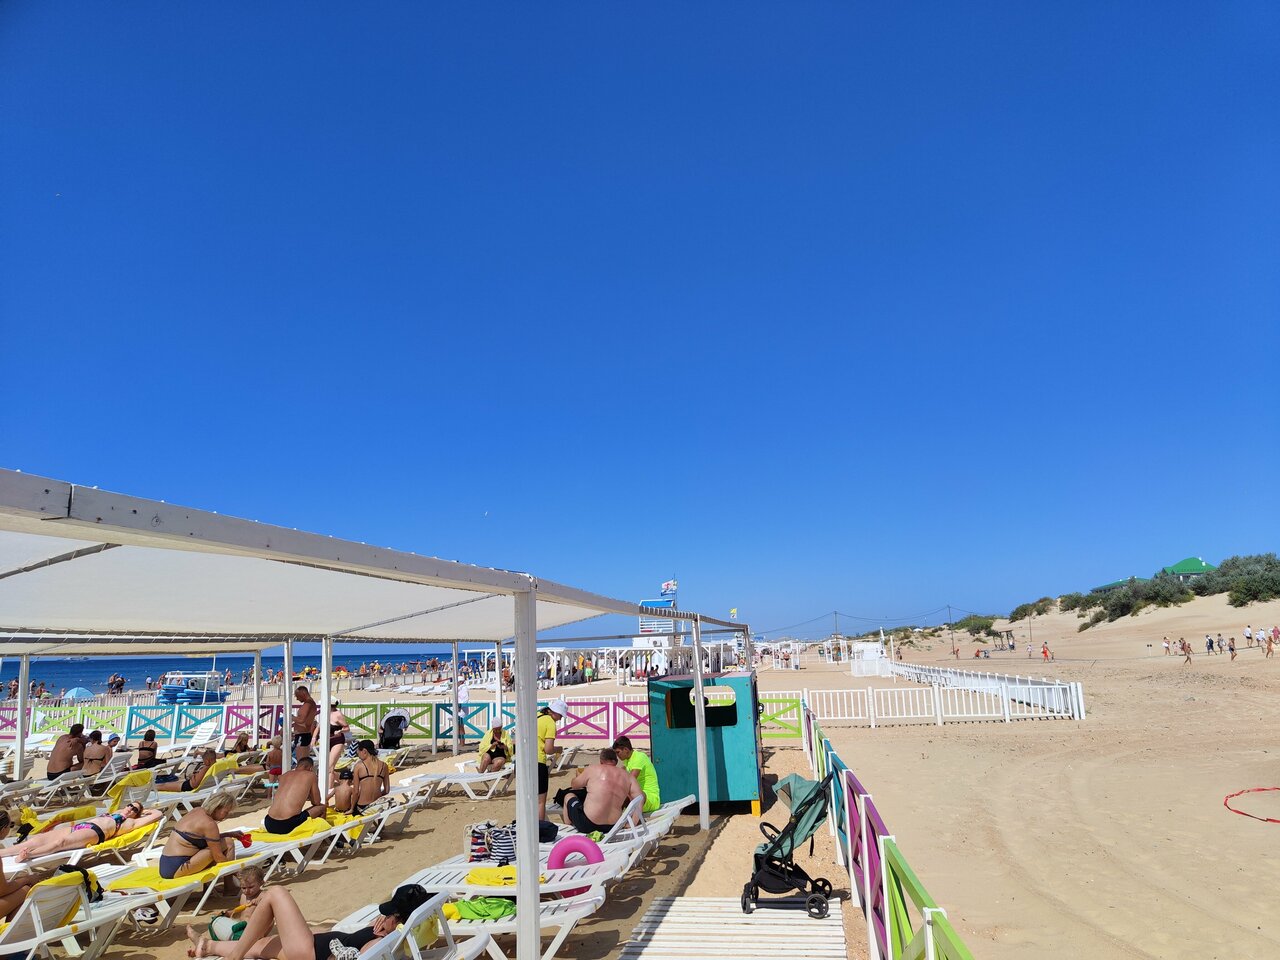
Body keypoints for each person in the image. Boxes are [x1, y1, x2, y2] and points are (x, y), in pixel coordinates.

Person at [187, 882, 429, 960]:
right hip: (313, 945)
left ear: (398, 918)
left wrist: (339, 945)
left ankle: (233, 958)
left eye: (389, 914)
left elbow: (352, 957)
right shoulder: (395, 933)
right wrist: (380, 924)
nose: (384, 917)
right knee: (262, 945)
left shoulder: (380, 943)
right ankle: (207, 947)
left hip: (311, 952)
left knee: (275, 894)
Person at [12, 802, 163, 862]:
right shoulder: (117, 812)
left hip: (95, 832)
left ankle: (29, 855)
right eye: (130, 805)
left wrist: (145, 811)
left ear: (136, 814)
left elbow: (158, 814)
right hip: (82, 826)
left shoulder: (131, 822)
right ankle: (4, 853)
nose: (130, 808)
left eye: (135, 809)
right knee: (39, 839)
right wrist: (133, 810)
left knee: (60, 843)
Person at [554, 748, 643, 835]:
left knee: (568, 796)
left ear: (601, 761)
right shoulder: (628, 776)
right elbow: (640, 798)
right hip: (613, 827)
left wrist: (577, 776)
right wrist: (633, 823)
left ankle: (569, 831)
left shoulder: (593, 769)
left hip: (588, 825)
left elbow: (574, 785)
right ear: (616, 762)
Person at [159, 792, 247, 879]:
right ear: (216, 807)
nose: (226, 816)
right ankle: (230, 883)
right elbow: (218, 857)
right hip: (178, 866)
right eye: (225, 812)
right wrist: (236, 872)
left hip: (165, 865)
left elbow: (203, 838)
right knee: (228, 842)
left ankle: (222, 884)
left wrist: (229, 834)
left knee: (223, 842)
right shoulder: (209, 824)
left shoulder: (197, 810)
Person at [263, 756, 324, 835]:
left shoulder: (284, 775)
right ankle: (322, 837)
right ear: (310, 768)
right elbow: (316, 802)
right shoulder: (311, 775)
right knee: (322, 807)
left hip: (269, 822)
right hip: (288, 824)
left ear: (297, 766)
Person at [612, 736, 660, 814]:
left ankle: (632, 820)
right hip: (638, 797)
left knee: (625, 794)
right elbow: (619, 775)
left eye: (618, 752)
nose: (617, 756)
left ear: (626, 750)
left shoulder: (639, 757)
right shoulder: (627, 760)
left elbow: (630, 781)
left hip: (650, 799)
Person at [340, 740, 389, 815]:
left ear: (364, 751)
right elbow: (387, 790)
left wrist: (352, 808)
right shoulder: (384, 766)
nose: (358, 755)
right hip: (377, 805)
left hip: (363, 807)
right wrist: (377, 797)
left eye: (358, 752)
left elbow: (356, 792)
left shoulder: (359, 766)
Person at [537, 700, 565, 819]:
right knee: (540, 802)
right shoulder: (550, 723)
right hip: (538, 761)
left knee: (526, 799)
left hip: (522, 761)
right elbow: (548, 749)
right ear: (555, 712)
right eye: (561, 716)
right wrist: (558, 749)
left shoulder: (536, 715)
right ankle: (539, 828)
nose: (560, 719)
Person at [291, 686, 318, 761]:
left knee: (301, 760)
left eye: (297, 696)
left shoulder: (308, 704)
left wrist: (291, 717)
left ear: (303, 693)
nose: (297, 699)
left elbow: (301, 720)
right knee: (304, 759)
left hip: (302, 735)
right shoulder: (311, 703)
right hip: (305, 734)